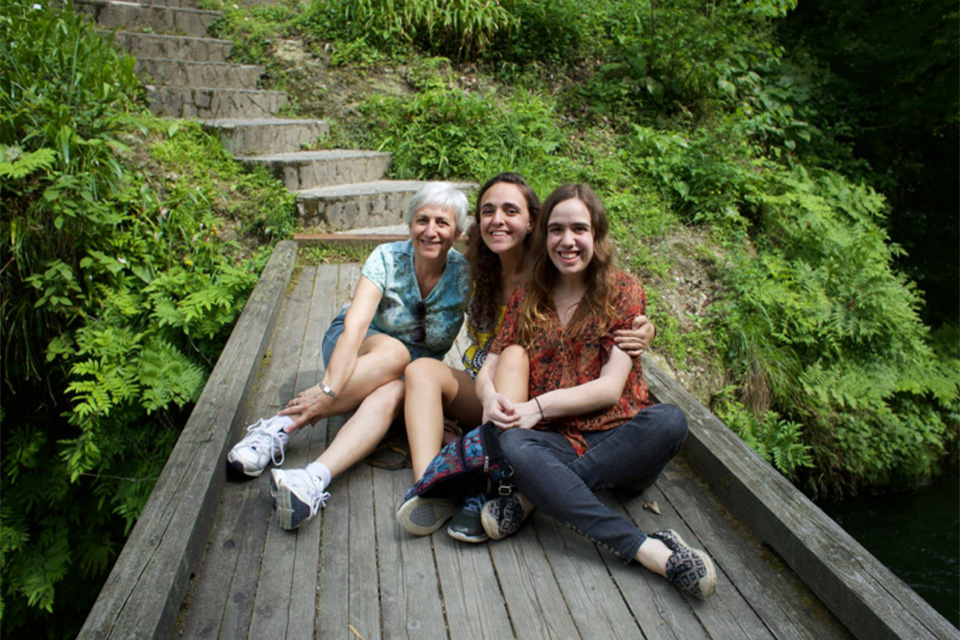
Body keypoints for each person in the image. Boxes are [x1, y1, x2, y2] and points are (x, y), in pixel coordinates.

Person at [400, 183, 716, 599]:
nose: (568, 241)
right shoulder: (528, 296)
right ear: (544, 236)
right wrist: (489, 395)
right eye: (557, 230)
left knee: (670, 420)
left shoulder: (622, 291)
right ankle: (649, 548)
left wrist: (535, 407)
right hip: (556, 442)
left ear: (596, 236)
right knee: (516, 445)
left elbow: (609, 389)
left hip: (619, 440)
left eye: (579, 229)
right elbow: (490, 365)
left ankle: (529, 499)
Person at [397, 174, 656, 544]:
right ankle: (432, 483)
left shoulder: (555, 271)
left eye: (510, 210)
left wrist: (647, 330)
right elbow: (425, 281)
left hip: (538, 404)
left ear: (533, 221)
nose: (497, 220)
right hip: (500, 400)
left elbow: (613, 317)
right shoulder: (471, 270)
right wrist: (487, 397)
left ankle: (495, 481)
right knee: (420, 369)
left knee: (516, 356)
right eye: (488, 211)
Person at [226, 182, 471, 530]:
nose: (430, 231)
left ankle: (311, 480)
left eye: (442, 223)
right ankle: (280, 427)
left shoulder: (465, 276)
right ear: (409, 225)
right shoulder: (386, 258)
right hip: (356, 348)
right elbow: (355, 325)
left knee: (394, 391)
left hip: (408, 374)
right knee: (394, 353)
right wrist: (327, 389)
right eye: (422, 220)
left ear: (457, 231)